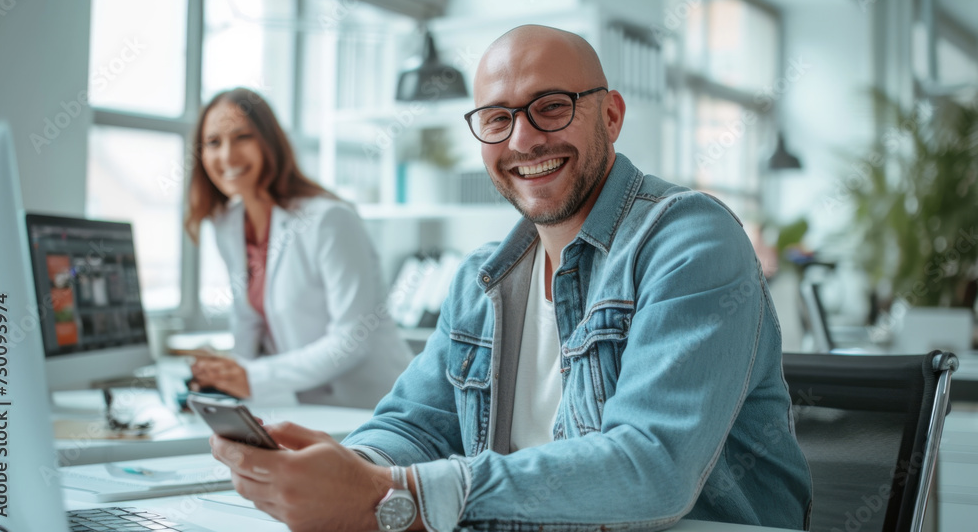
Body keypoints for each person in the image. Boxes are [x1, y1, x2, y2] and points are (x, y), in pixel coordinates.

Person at [210, 27, 813, 531]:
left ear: (611, 114)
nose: (523, 139)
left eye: (551, 107)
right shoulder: (482, 279)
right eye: (497, 119)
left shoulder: (689, 239)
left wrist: (394, 496)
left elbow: (651, 469)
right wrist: (344, 466)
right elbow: (414, 424)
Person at [184, 87, 413, 409]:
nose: (227, 156)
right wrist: (226, 380)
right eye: (213, 142)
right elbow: (249, 324)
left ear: (269, 141)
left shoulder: (329, 219)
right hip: (303, 406)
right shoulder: (228, 226)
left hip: (370, 406)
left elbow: (352, 340)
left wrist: (253, 376)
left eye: (242, 137)